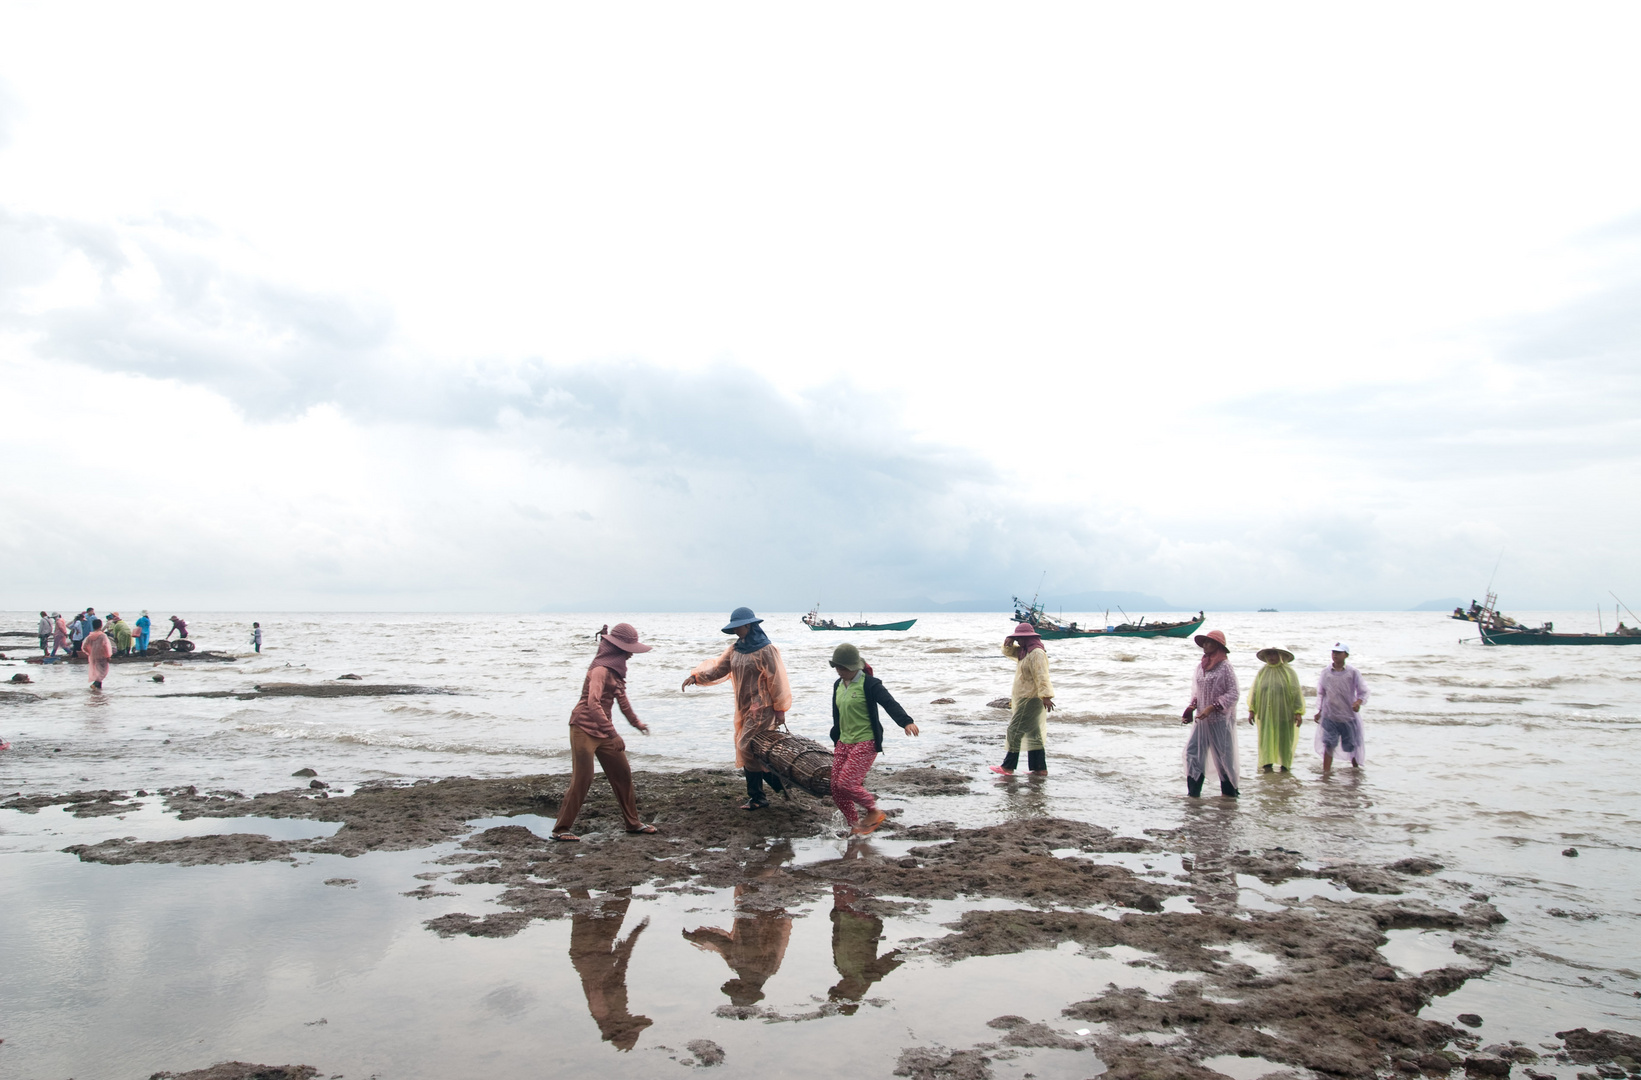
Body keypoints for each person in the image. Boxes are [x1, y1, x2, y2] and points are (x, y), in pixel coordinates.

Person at [551, 623, 658, 842]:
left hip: (604, 731)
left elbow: (623, 701)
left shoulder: (616, 673)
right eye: (628, 649)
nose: (630, 654)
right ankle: (561, 829)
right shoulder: (599, 670)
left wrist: (636, 723)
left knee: (623, 774)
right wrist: (614, 734)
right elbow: (593, 703)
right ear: (618, 649)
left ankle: (633, 823)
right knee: (583, 778)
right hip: (583, 728)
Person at [681, 607, 793, 809]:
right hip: (744, 707)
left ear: (749, 625)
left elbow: (777, 681)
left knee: (746, 746)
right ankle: (774, 788)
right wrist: (696, 677)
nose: (735, 631)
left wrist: (780, 710)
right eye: (733, 628)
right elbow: (718, 670)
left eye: (738, 627)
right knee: (755, 750)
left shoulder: (767, 650)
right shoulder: (735, 649)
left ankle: (764, 794)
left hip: (763, 708)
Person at [827, 642, 919, 836]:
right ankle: (855, 825)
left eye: (842, 667)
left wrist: (906, 722)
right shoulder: (838, 685)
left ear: (853, 667)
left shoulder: (869, 684)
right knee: (836, 788)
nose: (838, 671)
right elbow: (838, 714)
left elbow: (889, 703)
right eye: (836, 666)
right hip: (844, 741)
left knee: (847, 783)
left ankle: (874, 811)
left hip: (865, 740)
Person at [567, 889, 653, 1051]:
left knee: (580, 898)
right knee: (622, 894)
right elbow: (622, 966)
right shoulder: (618, 1006)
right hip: (603, 946)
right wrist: (636, 932)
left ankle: (564, 864)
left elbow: (596, 978)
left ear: (620, 1026)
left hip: (585, 952)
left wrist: (615, 956)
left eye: (631, 1024)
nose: (632, 1019)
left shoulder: (601, 1012)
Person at [990, 622, 1055, 776]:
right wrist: (1008, 643)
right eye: (1017, 638)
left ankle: (1008, 766)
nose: (1018, 640)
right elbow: (1009, 652)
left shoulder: (1037, 653)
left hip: (1031, 698)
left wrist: (1046, 696)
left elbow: (1042, 676)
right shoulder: (1025, 651)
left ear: (1028, 638)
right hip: (1025, 696)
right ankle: (1039, 769)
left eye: (1020, 638)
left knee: (1015, 730)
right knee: (1034, 733)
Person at [1182, 629, 1240, 797]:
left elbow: (1233, 693)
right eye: (1205, 642)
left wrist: (1212, 707)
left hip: (1220, 720)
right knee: (1193, 753)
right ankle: (1193, 794)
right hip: (1202, 720)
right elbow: (1197, 692)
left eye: (1210, 643)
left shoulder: (1225, 667)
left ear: (1218, 646)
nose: (1205, 646)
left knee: (1223, 758)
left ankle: (1229, 796)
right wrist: (1191, 708)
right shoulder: (1201, 666)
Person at [1247, 647, 1303, 772]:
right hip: (1266, 712)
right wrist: (1252, 709)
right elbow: (1255, 691)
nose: (1271, 657)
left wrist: (1298, 712)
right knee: (1266, 738)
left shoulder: (1289, 672)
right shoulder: (1262, 672)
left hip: (1284, 713)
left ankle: (1285, 768)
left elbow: (1296, 692)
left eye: (1274, 654)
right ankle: (1267, 765)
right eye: (1269, 654)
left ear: (1281, 656)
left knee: (1284, 740)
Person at [1314, 642, 1369, 770]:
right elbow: (1322, 693)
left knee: (1352, 746)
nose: (1335, 655)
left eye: (1339, 653)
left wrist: (1358, 702)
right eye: (1333, 652)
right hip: (1330, 715)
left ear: (1346, 655)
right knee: (1329, 744)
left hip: (1348, 716)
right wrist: (1319, 711)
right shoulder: (1326, 672)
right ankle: (1326, 774)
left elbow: (1363, 691)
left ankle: (1355, 772)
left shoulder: (1353, 672)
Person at [84, 617, 113, 690]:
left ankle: (98, 689)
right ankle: (95, 684)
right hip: (102, 655)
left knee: (97, 671)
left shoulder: (90, 636)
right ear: (101, 626)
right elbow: (106, 646)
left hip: (93, 656)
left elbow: (84, 646)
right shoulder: (102, 636)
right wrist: (108, 656)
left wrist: (89, 652)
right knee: (103, 672)